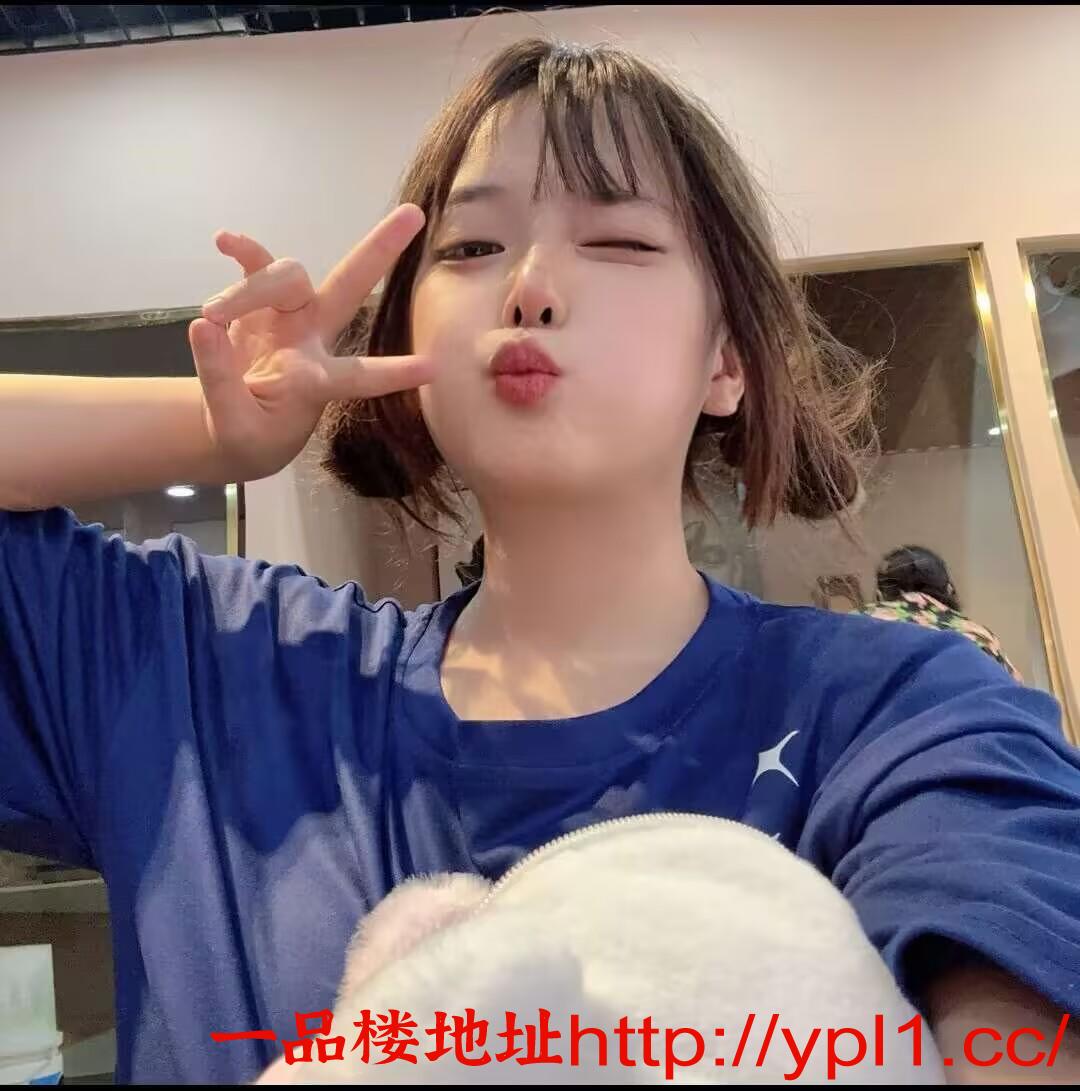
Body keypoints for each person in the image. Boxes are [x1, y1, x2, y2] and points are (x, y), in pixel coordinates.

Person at [1, 38, 1078, 1085]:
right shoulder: (211, 666)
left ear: (727, 359)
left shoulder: (903, 715)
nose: (530, 287)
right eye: (471, 248)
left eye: (620, 240)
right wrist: (212, 431)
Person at [859, 545, 1023, 681]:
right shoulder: (977, 636)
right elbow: (1014, 692)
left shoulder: (858, 625)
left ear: (880, 594)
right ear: (948, 589)